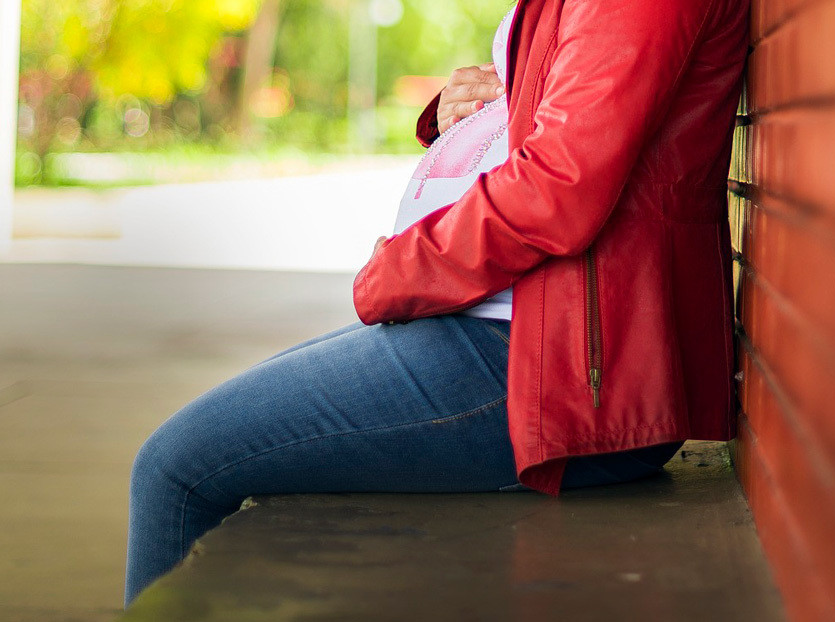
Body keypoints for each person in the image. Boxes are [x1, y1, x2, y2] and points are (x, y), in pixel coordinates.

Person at [125, 0, 750, 608]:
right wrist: (487, 102)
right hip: (512, 332)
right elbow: (576, 121)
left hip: (557, 372)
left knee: (177, 467)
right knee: (195, 446)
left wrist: (392, 273)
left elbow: (558, 189)